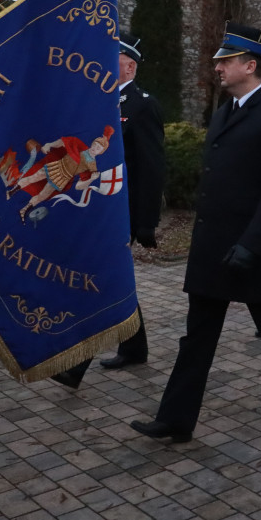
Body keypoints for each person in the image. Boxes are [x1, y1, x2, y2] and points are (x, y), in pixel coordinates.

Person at [130, 22, 261, 442]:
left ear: (250, 65)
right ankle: (176, 418)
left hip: (256, 247)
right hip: (214, 246)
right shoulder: (225, 110)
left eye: (225, 62)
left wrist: (251, 244)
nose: (217, 68)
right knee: (197, 335)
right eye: (218, 62)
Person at [99, 32, 166, 369]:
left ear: (128, 67)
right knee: (105, 276)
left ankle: (83, 361)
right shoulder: (99, 100)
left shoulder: (143, 105)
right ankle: (133, 348)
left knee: (110, 277)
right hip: (97, 206)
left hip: (121, 210)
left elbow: (152, 169)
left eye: (112, 60)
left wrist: (146, 222)